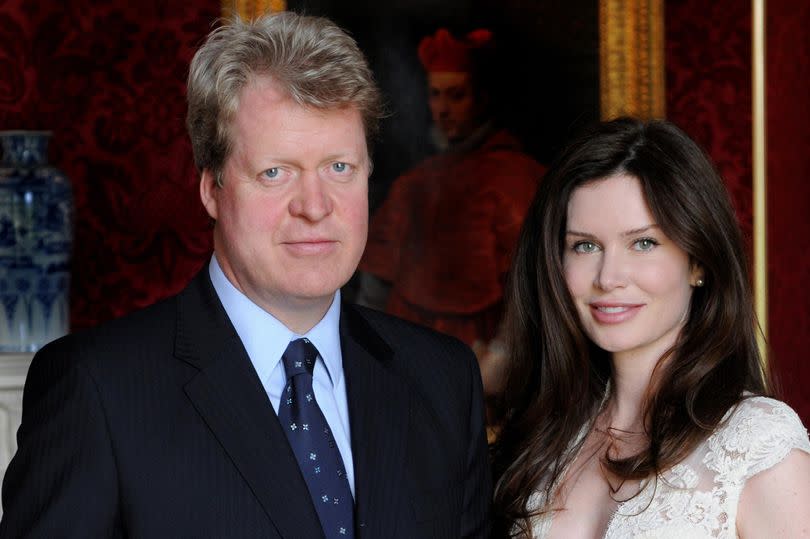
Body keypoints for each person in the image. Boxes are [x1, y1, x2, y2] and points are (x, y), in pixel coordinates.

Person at [0, 12, 490, 538]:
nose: (315, 206)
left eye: (339, 168)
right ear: (211, 188)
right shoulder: (97, 390)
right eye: (275, 172)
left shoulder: (442, 380)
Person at [491, 117, 810, 538]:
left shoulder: (756, 443)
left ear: (697, 261)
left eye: (643, 242)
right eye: (585, 245)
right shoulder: (542, 439)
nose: (609, 277)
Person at [357, 28, 544, 426]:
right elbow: (374, 291)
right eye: (435, 95)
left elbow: (528, 291)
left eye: (456, 95)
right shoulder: (413, 184)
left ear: (481, 98)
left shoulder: (517, 178)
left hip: (488, 371)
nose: (443, 108)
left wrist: (500, 358)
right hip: (404, 379)